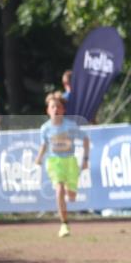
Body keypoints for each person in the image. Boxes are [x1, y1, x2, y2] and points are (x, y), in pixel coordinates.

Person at [35, 92, 89, 238]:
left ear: (63, 110)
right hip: (54, 162)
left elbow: (85, 140)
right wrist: (38, 158)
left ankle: (68, 192)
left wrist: (85, 160)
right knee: (59, 190)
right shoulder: (45, 128)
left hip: (70, 161)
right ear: (47, 110)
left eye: (58, 107)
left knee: (71, 196)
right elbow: (44, 145)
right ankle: (64, 224)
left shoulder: (70, 126)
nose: (55, 110)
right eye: (52, 107)